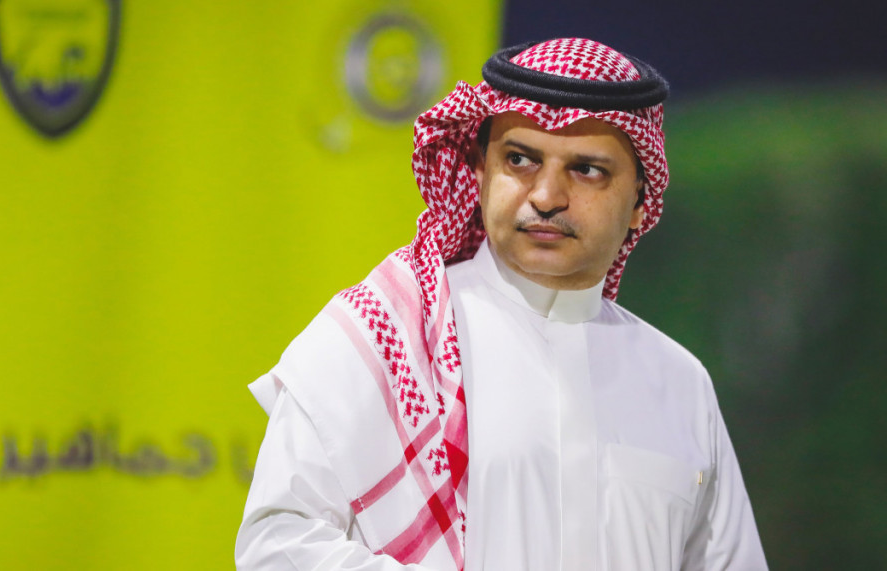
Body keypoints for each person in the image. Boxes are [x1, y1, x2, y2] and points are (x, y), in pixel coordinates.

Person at [235, 38, 767, 570]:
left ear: (640, 203)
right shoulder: (384, 336)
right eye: (520, 160)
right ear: (480, 170)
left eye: (586, 170)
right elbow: (276, 547)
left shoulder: (679, 382)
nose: (546, 197)